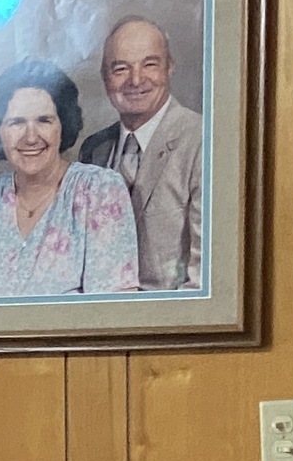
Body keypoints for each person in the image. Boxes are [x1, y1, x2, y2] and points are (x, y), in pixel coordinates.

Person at [0, 57, 139, 299]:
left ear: (63, 125)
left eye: (44, 120)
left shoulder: (99, 191)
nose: (31, 137)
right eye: (16, 122)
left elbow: (113, 315)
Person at [76, 16, 204, 290]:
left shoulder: (203, 140)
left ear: (170, 67)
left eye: (150, 64)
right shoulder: (94, 150)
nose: (135, 80)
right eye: (121, 68)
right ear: (104, 77)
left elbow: (204, 278)